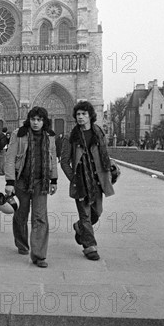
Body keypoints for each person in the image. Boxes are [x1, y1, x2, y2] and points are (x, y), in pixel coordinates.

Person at [60, 101, 115, 261]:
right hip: (81, 181)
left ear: (90, 115)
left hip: (98, 180)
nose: (80, 117)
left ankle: (79, 228)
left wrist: (109, 171)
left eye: (83, 114)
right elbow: (64, 161)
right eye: (78, 114)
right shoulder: (71, 137)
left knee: (96, 213)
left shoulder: (99, 133)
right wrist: (74, 178)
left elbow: (105, 155)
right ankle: (90, 246)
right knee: (85, 215)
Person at [5, 107, 57, 268]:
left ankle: (39, 255)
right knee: (21, 215)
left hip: (41, 182)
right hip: (22, 181)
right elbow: (10, 158)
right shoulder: (19, 134)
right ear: (29, 120)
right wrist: (9, 182)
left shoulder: (50, 136)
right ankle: (22, 243)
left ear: (44, 121)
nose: (36, 123)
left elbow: (53, 158)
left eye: (39, 120)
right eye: (33, 119)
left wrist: (54, 179)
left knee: (40, 218)